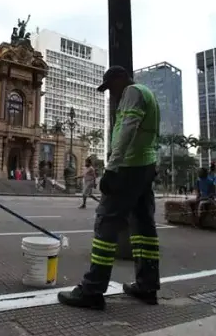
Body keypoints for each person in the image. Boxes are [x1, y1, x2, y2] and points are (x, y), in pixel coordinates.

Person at [58, 66, 161, 310]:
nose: (111, 94)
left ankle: (92, 290)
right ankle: (147, 286)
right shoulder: (148, 94)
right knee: (144, 227)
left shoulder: (132, 92)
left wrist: (112, 168)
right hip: (145, 166)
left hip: (128, 167)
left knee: (106, 222)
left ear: (120, 78)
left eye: (110, 87)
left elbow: (127, 129)